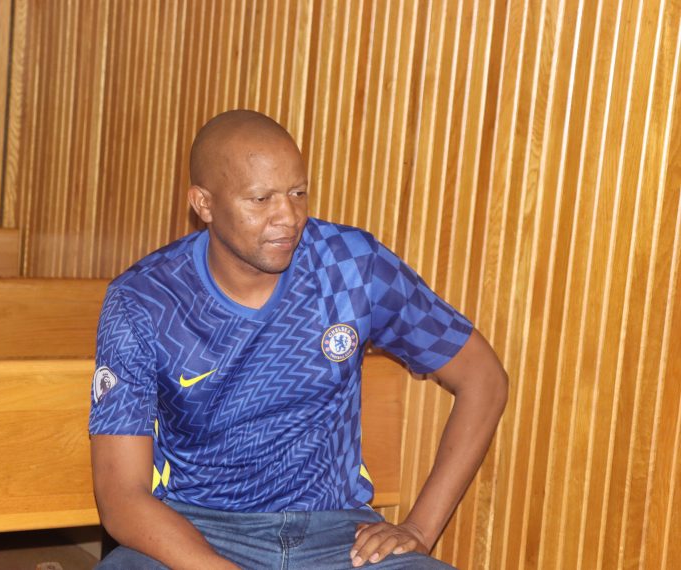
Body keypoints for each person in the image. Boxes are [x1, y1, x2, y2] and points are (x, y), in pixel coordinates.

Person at [89, 110, 508, 570]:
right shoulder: (145, 299)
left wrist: (419, 529)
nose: (288, 217)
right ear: (204, 204)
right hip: (198, 532)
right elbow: (121, 497)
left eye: (298, 193)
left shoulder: (352, 266)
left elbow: (483, 378)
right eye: (260, 199)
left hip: (340, 536)